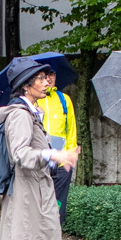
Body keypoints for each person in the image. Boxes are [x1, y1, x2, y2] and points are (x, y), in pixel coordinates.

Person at [0, 58, 74, 240]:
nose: (47, 82)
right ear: (26, 86)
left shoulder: (31, 113)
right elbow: (20, 153)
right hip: (27, 189)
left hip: (35, 187)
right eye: (40, 78)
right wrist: (50, 154)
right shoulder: (20, 115)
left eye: (46, 77)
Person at [37, 68, 80, 223]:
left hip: (61, 163)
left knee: (58, 205)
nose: (48, 78)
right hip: (39, 161)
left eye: (52, 74)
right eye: (44, 75)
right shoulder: (34, 100)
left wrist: (70, 158)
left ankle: (56, 233)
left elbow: (71, 131)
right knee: (39, 203)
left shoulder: (64, 99)